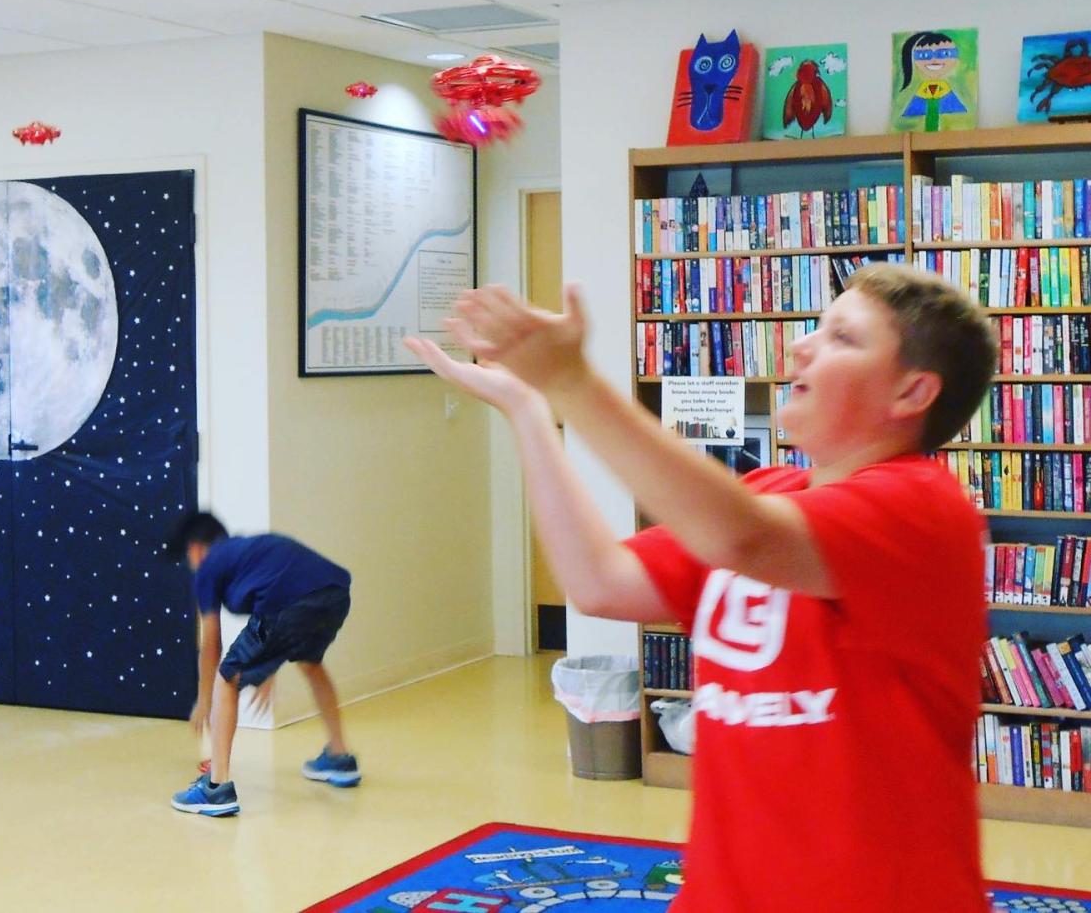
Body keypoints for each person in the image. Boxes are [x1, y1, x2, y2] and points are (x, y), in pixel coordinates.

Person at [405, 263, 997, 912]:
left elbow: (741, 539)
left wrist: (573, 382)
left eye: (842, 338)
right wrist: (529, 409)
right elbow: (600, 582)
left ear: (912, 393)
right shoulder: (768, 490)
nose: (801, 345)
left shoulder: (924, 505)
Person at [165, 511, 360, 816]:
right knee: (310, 662)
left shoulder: (209, 566)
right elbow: (275, 630)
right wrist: (267, 673)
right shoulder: (248, 553)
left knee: (226, 677)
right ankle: (339, 755)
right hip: (333, 594)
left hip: (288, 603)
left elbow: (210, 644)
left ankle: (216, 788)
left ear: (196, 548)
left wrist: (204, 699)